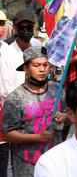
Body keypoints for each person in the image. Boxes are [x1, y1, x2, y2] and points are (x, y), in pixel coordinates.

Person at [1, 46, 66, 177]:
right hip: (27, 165)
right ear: (26, 68)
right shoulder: (15, 99)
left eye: (45, 65)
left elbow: (69, 116)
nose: (42, 69)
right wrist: (38, 137)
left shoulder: (57, 91)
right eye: (36, 65)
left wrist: (64, 116)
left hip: (55, 160)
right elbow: (7, 134)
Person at [0, 10, 42, 177]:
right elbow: (6, 90)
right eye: (21, 27)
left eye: (29, 27)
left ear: (34, 27)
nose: (26, 31)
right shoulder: (7, 54)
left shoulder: (39, 47)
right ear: (15, 29)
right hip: (18, 116)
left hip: (39, 112)